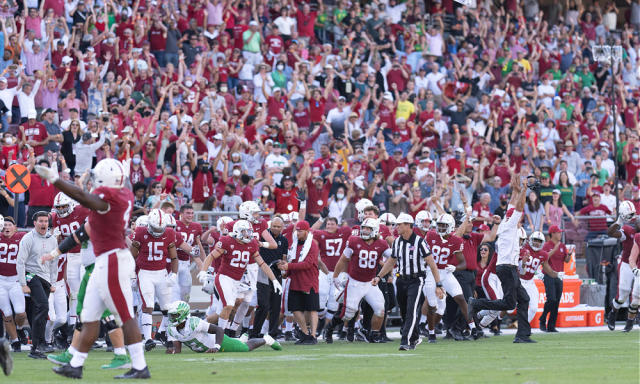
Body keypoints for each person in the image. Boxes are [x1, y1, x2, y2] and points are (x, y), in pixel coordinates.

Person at [34, 158, 150, 379]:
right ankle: (76, 365)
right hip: (102, 263)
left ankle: (139, 366)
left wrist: (55, 180)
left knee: (125, 315)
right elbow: (82, 232)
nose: (94, 183)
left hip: (113, 260)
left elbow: (83, 197)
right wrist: (55, 253)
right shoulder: (120, 195)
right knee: (88, 316)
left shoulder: (110, 199)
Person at [469, 170, 534, 343]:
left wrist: (516, 188)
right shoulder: (511, 222)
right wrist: (525, 189)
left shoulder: (507, 219)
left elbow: (514, 204)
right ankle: (476, 304)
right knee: (509, 303)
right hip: (507, 267)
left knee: (524, 299)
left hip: (506, 267)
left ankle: (522, 335)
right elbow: (519, 206)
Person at [374, 213, 443, 350]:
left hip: (416, 280)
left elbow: (431, 263)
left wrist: (438, 284)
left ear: (408, 225)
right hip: (401, 279)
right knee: (405, 312)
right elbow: (391, 260)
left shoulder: (419, 241)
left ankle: (405, 341)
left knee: (411, 310)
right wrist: (379, 276)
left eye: (399, 224)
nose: (397, 227)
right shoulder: (398, 241)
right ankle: (415, 337)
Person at [332, 218, 390, 343]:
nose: (364, 230)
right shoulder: (353, 240)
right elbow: (343, 259)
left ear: (374, 230)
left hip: (370, 283)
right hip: (355, 282)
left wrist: (382, 274)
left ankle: (374, 334)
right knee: (348, 313)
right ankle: (330, 328)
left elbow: (393, 257)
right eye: (363, 228)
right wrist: (336, 276)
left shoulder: (382, 244)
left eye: (368, 228)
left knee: (380, 309)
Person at [130, 208, 178, 352]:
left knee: (167, 308)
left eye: (160, 228)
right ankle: (148, 339)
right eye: (155, 227)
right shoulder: (140, 232)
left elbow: (174, 257)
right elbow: (131, 256)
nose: (158, 231)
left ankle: (167, 337)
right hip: (145, 273)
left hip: (161, 273)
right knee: (148, 306)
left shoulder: (169, 233)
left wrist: (174, 274)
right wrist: (131, 273)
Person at [16, 211, 58, 358]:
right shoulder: (28, 238)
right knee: (43, 306)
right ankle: (37, 345)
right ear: (34, 223)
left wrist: (53, 282)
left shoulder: (53, 240)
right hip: (30, 274)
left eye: (46, 221)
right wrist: (23, 283)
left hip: (45, 278)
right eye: (40, 221)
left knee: (38, 311)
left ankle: (38, 345)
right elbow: (20, 262)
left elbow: (54, 262)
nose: (43, 224)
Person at [165, 301, 281, 353]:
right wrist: (172, 351)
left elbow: (219, 329)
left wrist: (216, 346)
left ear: (184, 314)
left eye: (175, 315)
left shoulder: (194, 323)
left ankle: (267, 339)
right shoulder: (171, 329)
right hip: (207, 349)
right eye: (171, 315)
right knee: (239, 343)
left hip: (220, 343)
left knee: (246, 348)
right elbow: (178, 350)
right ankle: (240, 339)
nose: (172, 318)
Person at [277, 220, 320, 344]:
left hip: (309, 280)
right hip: (295, 280)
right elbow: (293, 260)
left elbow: (307, 264)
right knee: (295, 309)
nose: (297, 233)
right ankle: (305, 334)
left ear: (307, 231)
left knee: (312, 309)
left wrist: (288, 267)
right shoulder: (294, 244)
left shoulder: (312, 245)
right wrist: (286, 272)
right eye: (297, 230)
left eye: (300, 231)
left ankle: (313, 335)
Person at [250, 216, 288, 339]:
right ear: (270, 226)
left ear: (282, 228)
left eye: (278, 227)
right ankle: (254, 332)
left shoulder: (284, 240)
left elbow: (284, 258)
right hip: (263, 272)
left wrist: (282, 266)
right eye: (274, 226)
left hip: (277, 274)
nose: (276, 229)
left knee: (276, 306)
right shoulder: (263, 237)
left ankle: (273, 333)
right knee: (263, 304)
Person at [606, 201, 638, 330]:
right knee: (623, 294)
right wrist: (618, 221)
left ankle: (630, 321)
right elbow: (610, 233)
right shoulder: (627, 229)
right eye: (630, 215)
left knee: (637, 295)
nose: (634, 218)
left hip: (639, 265)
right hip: (626, 263)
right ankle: (613, 313)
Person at [0, 217, 29, 352]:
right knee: (6, 313)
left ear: (15, 227)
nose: (6, 227)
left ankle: (20, 328)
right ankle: (15, 341)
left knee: (20, 313)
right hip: (1, 281)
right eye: (4, 224)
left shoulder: (22, 237)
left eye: (9, 225)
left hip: (16, 280)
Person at [519, 232, 561, 323]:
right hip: (518, 280)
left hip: (530, 282)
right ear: (530, 240)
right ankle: (496, 321)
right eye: (535, 240)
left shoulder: (543, 254)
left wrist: (557, 275)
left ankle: (523, 327)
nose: (537, 243)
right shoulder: (523, 249)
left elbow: (548, 270)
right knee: (509, 307)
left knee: (534, 308)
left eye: (539, 241)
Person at [539, 225, 570, 332]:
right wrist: (555, 248)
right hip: (549, 274)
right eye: (558, 232)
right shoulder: (547, 245)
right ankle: (543, 318)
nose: (560, 234)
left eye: (560, 232)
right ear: (552, 233)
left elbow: (566, 260)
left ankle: (551, 326)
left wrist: (569, 255)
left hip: (559, 275)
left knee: (556, 301)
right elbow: (545, 257)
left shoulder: (562, 246)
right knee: (551, 299)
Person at [174, 204, 205, 302]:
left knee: (186, 290)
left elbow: (197, 247)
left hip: (185, 263)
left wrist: (203, 265)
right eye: (187, 213)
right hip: (172, 262)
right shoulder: (174, 224)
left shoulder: (196, 226)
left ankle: (184, 313)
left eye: (192, 213)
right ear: (181, 214)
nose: (190, 215)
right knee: (173, 292)